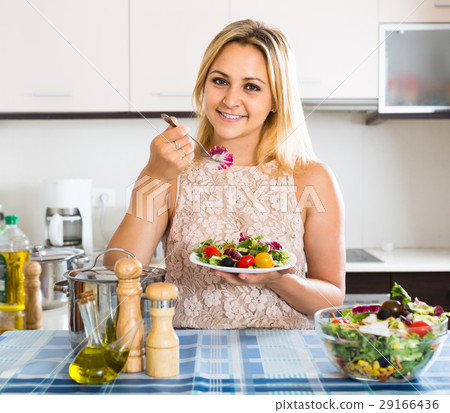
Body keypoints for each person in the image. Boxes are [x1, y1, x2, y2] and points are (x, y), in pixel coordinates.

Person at [105, 19, 345, 329]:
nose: (230, 100)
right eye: (220, 81)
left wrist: (278, 280)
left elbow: (332, 297)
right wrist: (154, 177)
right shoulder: (169, 170)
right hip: (186, 354)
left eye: (251, 87)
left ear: (276, 100)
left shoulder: (312, 178)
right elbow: (118, 269)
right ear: (203, 85)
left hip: (283, 356)